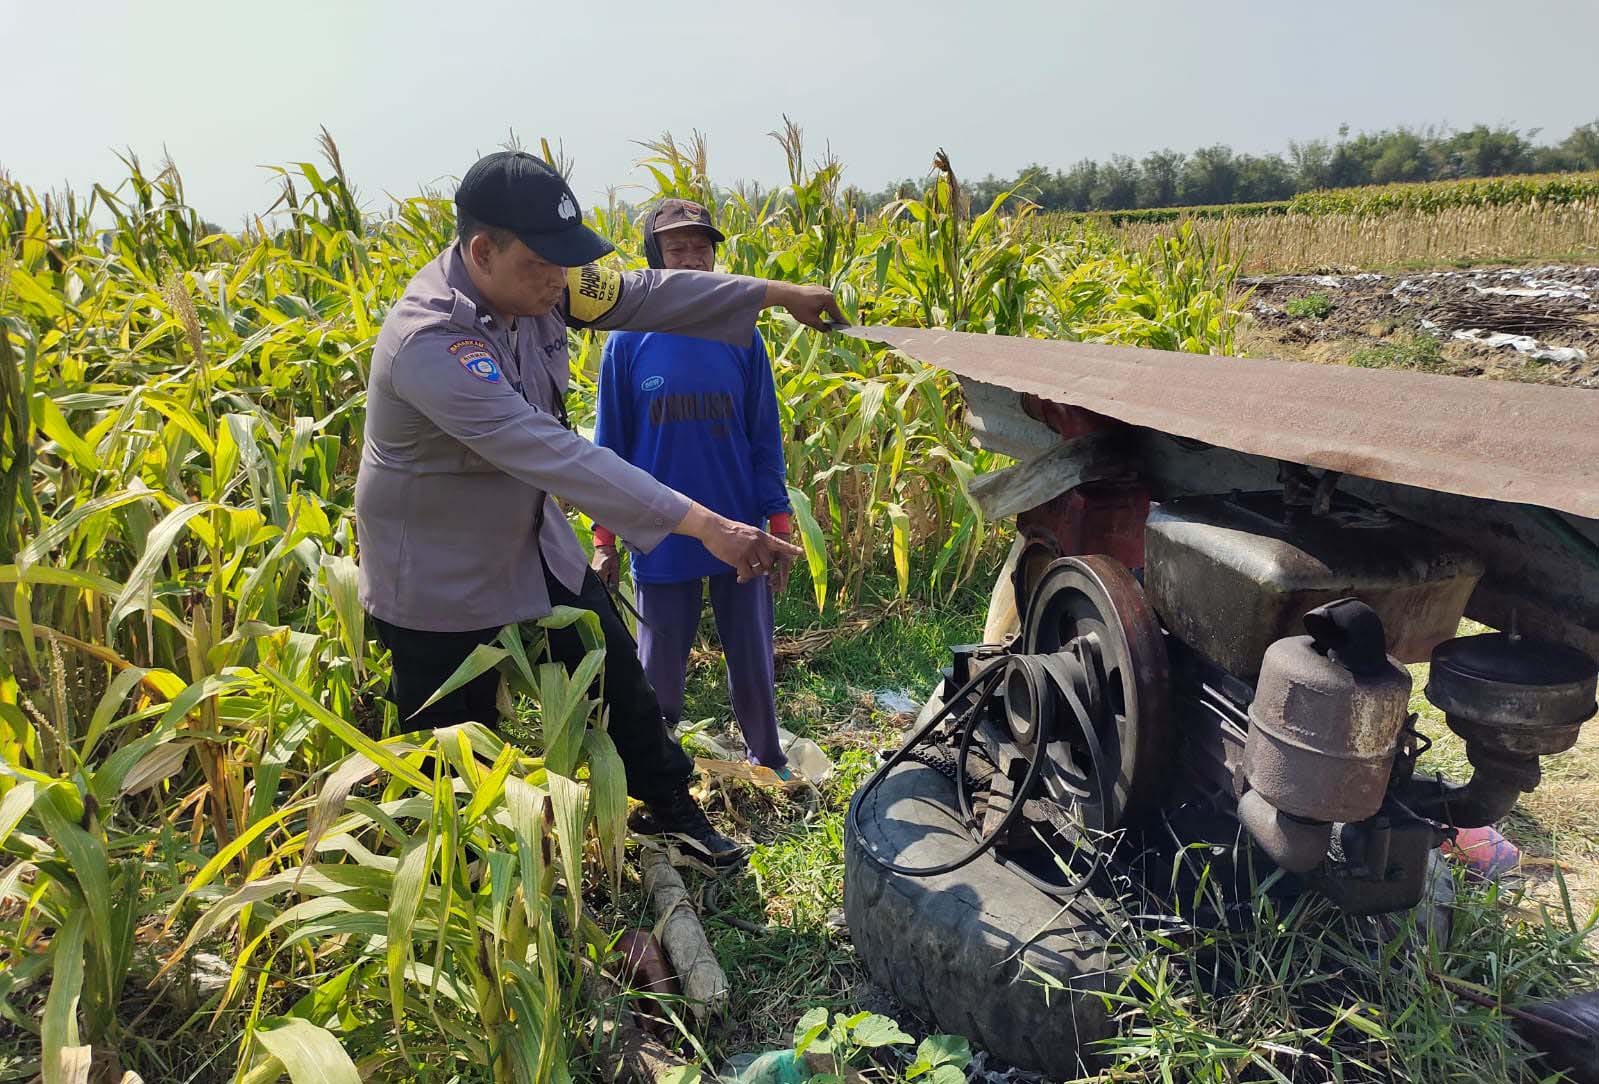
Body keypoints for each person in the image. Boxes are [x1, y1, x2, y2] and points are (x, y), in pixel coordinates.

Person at [354, 152, 843, 865]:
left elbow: (646, 292)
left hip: (529, 536)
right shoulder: (433, 340)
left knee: (616, 674)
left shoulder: (543, 281)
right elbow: (555, 453)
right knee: (444, 740)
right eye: (542, 265)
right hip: (436, 565)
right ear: (483, 250)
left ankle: (668, 808)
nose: (559, 280)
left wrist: (776, 294)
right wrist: (708, 526)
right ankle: (447, 879)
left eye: (564, 263)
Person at [590, 199, 793, 776]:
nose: (692, 258)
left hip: (743, 525)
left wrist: (777, 523)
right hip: (663, 534)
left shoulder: (741, 337)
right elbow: (610, 450)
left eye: (701, 246)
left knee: (752, 656)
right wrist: (604, 537)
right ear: (655, 256)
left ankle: (768, 758)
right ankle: (660, 772)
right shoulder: (628, 342)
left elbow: (763, 438)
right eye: (677, 247)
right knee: (659, 668)